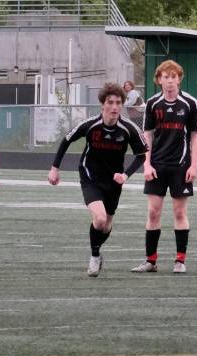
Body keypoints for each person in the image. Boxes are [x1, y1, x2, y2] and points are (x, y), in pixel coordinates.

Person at [48, 83, 148, 277]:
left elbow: (142, 154)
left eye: (118, 102)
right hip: (90, 176)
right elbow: (67, 140)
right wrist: (54, 168)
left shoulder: (128, 128)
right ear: (102, 105)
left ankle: (97, 249)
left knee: (107, 224)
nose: (114, 107)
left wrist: (125, 175)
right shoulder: (90, 125)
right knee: (100, 219)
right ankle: (94, 256)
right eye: (110, 102)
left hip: (114, 181)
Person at [132, 60, 197, 274]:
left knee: (179, 212)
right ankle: (151, 261)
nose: (170, 81)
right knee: (153, 212)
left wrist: (194, 165)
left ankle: (180, 260)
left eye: (174, 77)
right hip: (157, 166)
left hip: (181, 166)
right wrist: (146, 164)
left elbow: (196, 135)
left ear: (179, 78)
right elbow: (147, 136)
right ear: (159, 79)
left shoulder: (189, 103)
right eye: (165, 77)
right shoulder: (153, 104)